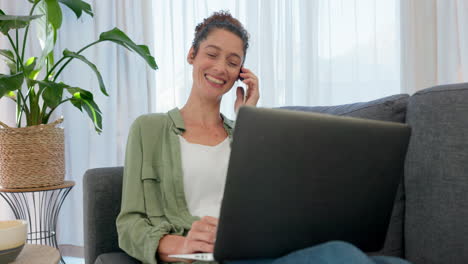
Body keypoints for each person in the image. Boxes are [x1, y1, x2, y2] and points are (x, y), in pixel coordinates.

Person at [116, 11, 411, 264]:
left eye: (233, 62)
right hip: (204, 257)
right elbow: (129, 222)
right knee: (340, 255)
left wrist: (248, 123)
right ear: (192, 55)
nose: (221, 68)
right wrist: (179, 246)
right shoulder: (149, 129)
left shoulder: (246, 134)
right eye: (211, 54)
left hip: (258, 251)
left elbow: (274, 206)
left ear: (240, 74)